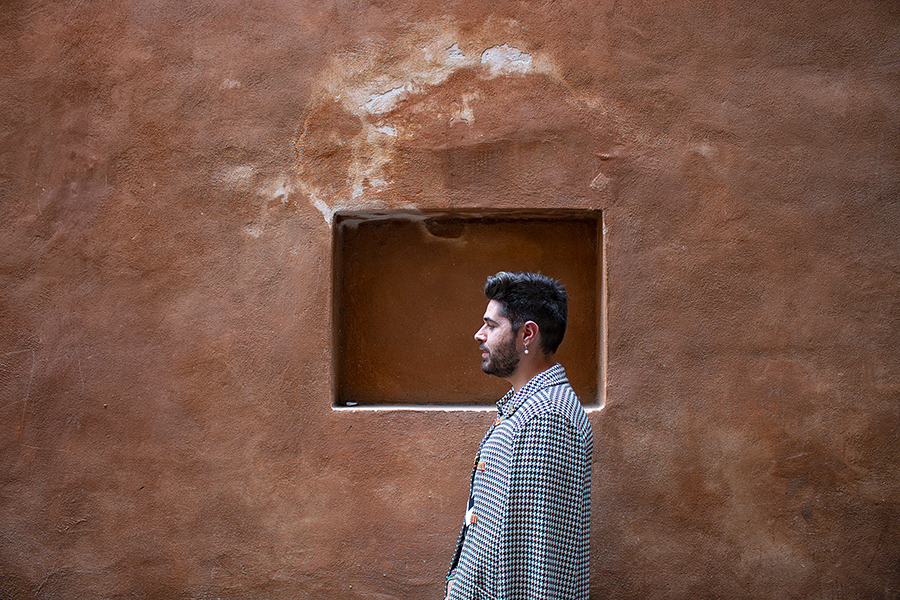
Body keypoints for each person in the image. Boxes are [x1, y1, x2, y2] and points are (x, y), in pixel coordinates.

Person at [444, 271, 593, 600]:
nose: (478, 335)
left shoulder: (544, 419)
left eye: (492, 325)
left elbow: (536, 563)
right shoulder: (526, 409)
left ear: (527, 334)